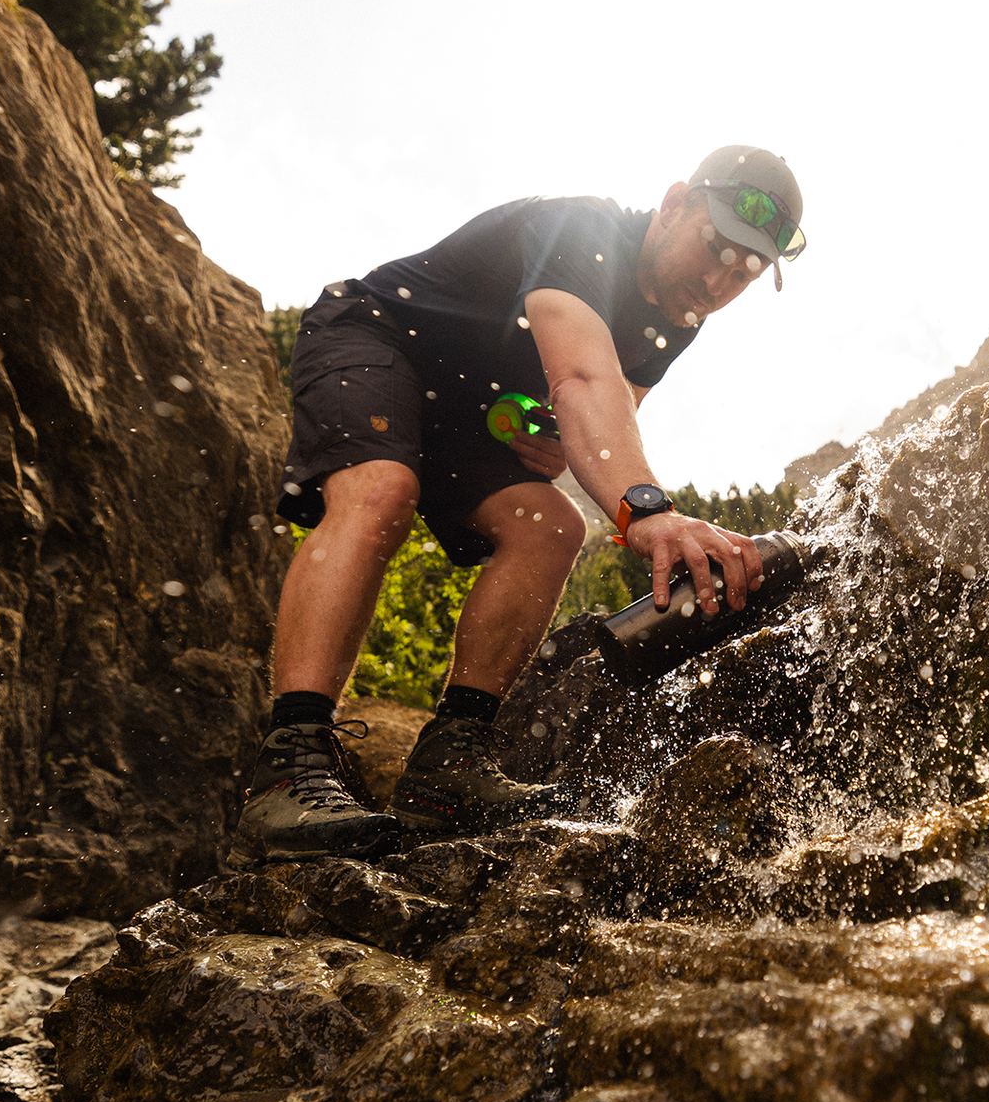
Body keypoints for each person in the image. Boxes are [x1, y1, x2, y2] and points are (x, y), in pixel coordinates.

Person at [229, 146, 806, 866]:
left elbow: (609, 411)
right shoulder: (583, 230)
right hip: (372, 336)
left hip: (466, 409)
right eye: (716, 245)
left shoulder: (681, 315)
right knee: (382, 493)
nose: (721, 277)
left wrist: (555, 437)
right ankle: (289, 765)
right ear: (674, 203)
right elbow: (582, 374)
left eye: (746, 270)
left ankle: (448, 767)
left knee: (553, 527)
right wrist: (648, 510)